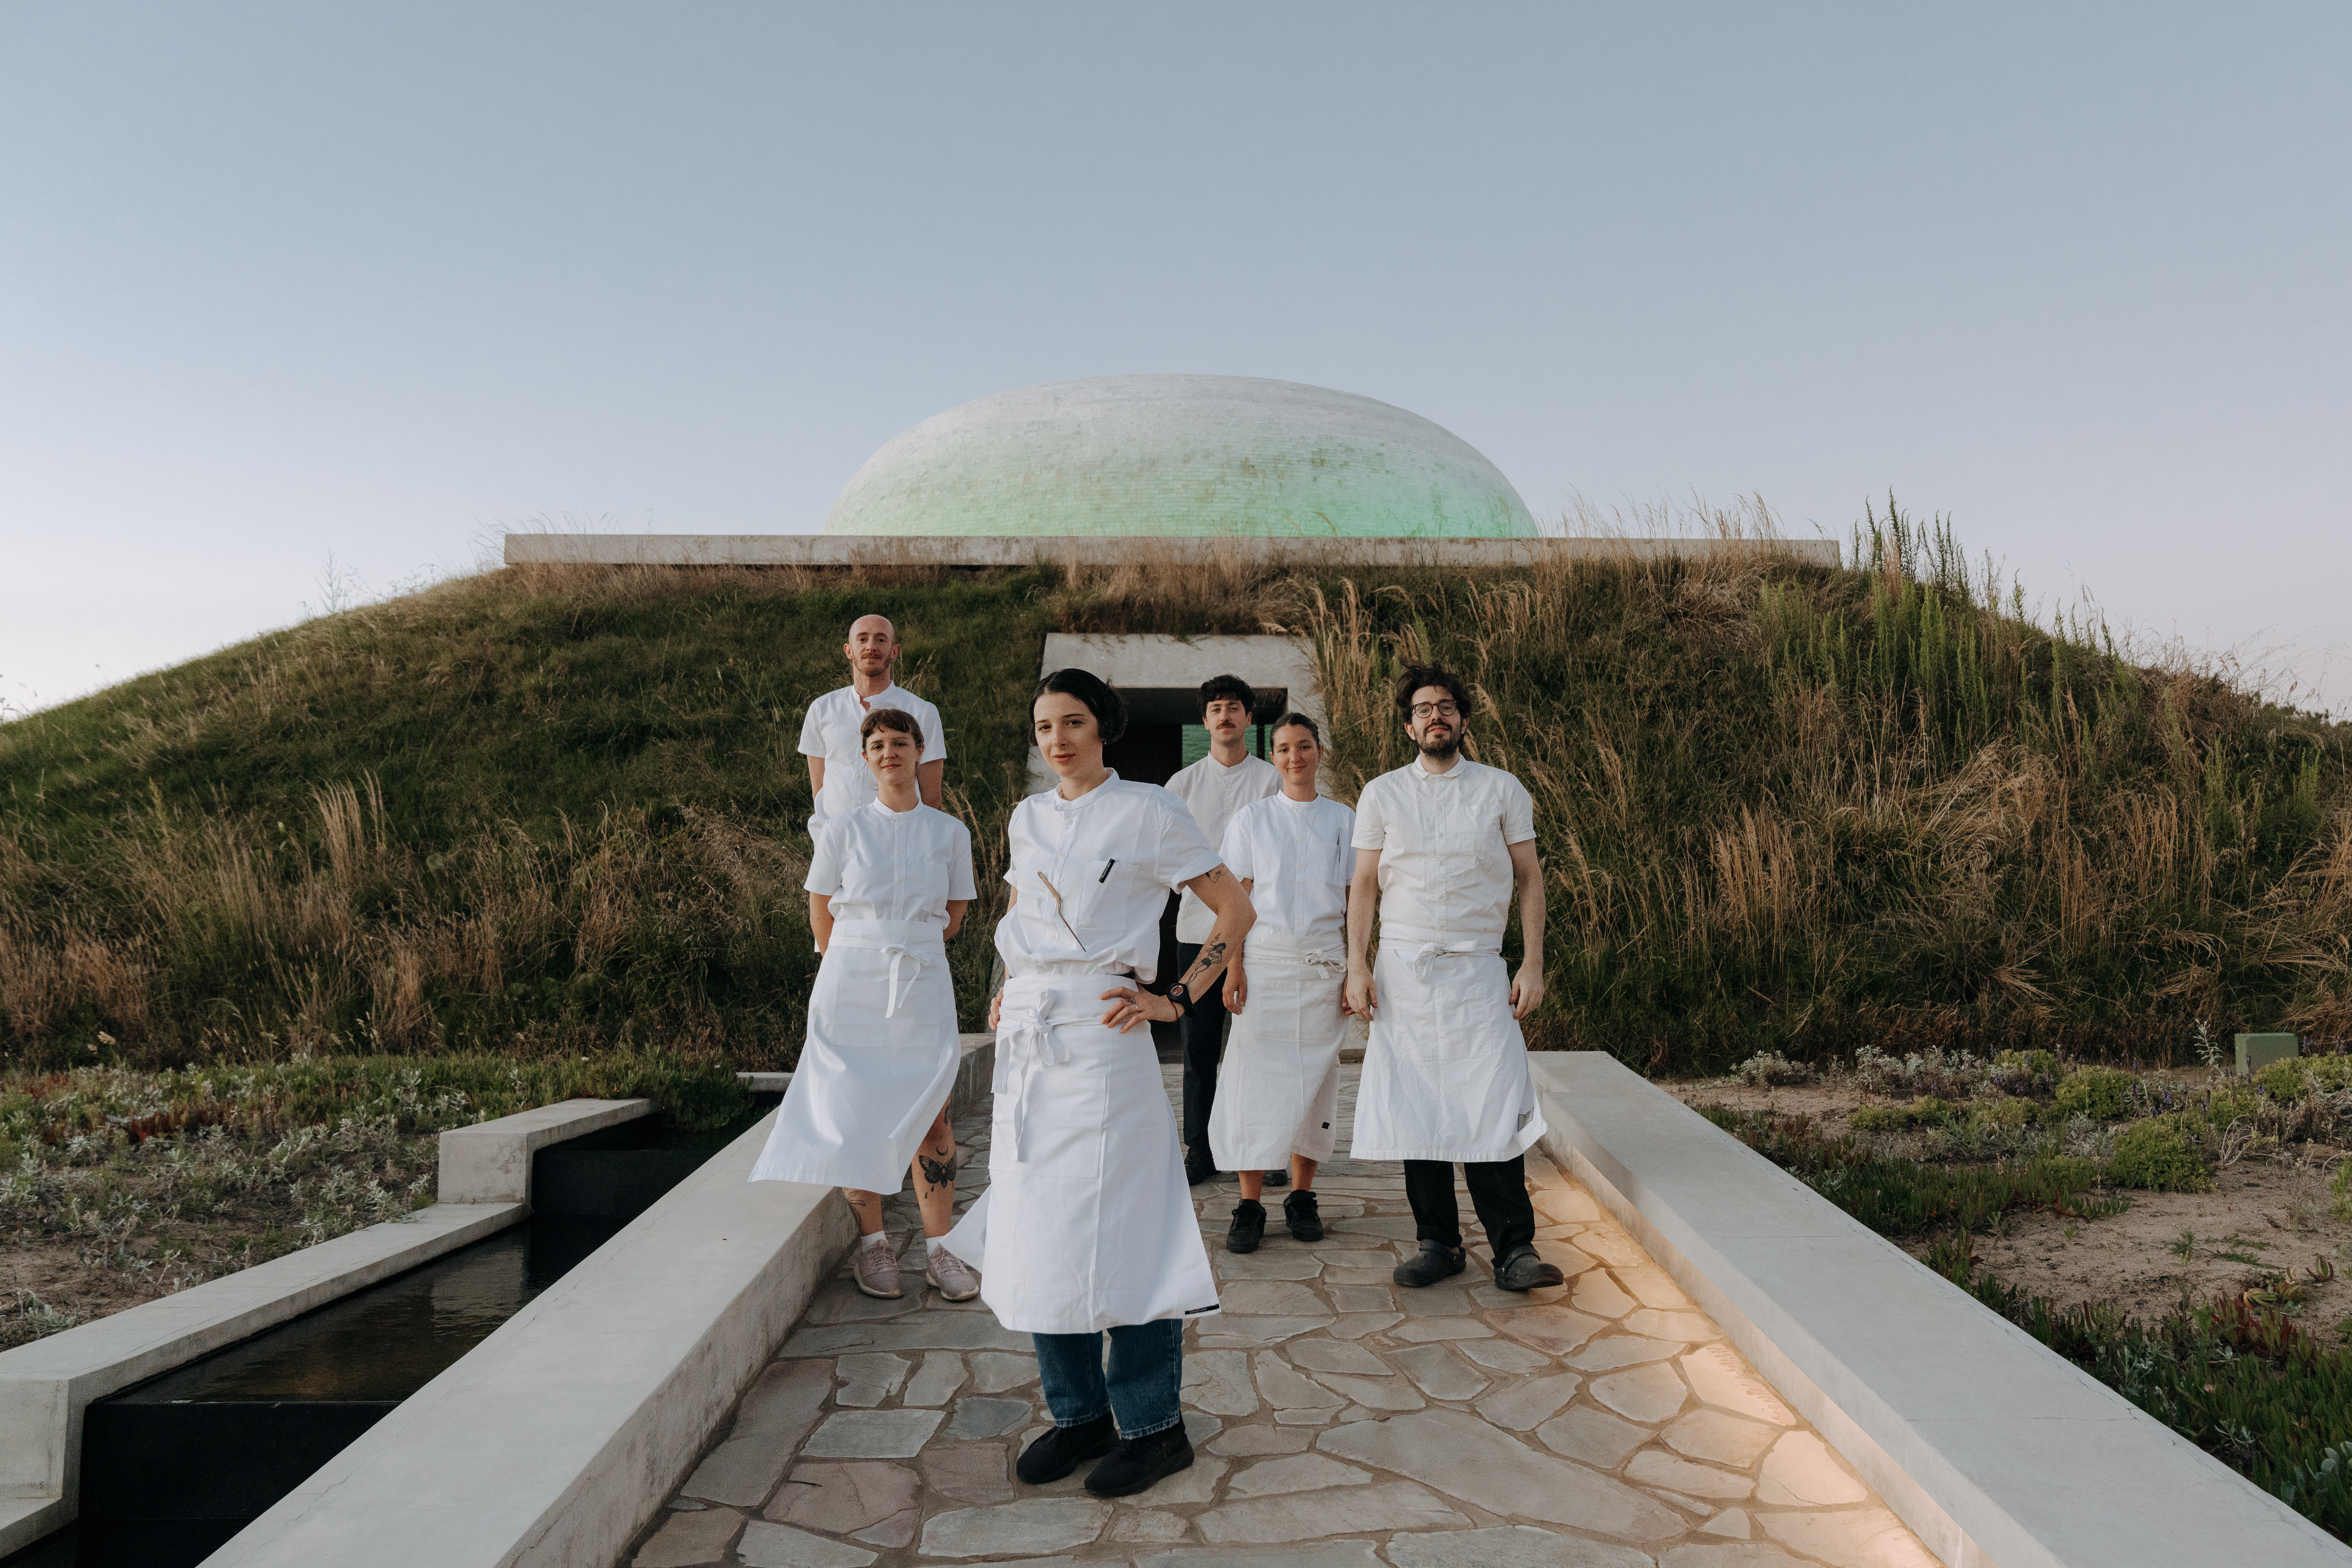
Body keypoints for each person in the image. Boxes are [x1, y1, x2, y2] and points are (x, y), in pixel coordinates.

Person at [944, 669, 1255, 1499]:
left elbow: (1234, 911)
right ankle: (1079, 1411)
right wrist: (1006, 992)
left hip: (1107, 1038)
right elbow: (1022, 917)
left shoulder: (1151, 809)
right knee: (1040, 1225)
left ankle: (1154, 1425)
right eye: (1045, 724)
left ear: (1102, 727)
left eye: (1073, 721)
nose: (1058, 738)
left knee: (1125, 1228)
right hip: (1031, 1043)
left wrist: (1174, 998)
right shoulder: (1027, 815)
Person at [1343, 663, 1566, 1294]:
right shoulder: (1381, 794)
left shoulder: (1501, 789)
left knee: (1491, 1099)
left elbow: (1529, 877)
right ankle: (1437, 1242)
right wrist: (1356, 964)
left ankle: (1513, 1247)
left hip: (1476, 970)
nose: (1434, 715)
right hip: (1404, 973)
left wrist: (1531, 962)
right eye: (1422, 708)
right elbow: (1362, 885)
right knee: (1419, 1105)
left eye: (1445, 706)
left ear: (1463, 721)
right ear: (1408, 724)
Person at [751, 706, 981, 1302]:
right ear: (864, 758)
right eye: (876, 745)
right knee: (853, 1108)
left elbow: (954, 916)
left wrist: (907, 947)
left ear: (918, 750)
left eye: (899, 743)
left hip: (921, 978)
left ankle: (940, 1251)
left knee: (933, 1112)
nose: (889, 753)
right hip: (850, 981)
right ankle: (872, 1243)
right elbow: (820, 907)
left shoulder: (950, 832)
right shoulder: (843, 829)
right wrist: (850, 965)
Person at [1207, 713, 1354, 1253]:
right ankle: (1249, 1204)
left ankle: (1301, 1195)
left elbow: (1356, 903)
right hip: (1265, 966)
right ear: (1273, 755)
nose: (1295, 757)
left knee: (1316, 1082)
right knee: (1252, 1082)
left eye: (1305, 746)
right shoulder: (1252, 820)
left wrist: (1356, 968)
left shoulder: (1345, 820)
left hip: (1324, 968)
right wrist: (1234, 967)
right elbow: (1237, 901)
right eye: (1285, 748)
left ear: (1320, 751)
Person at [1164, 674, 1280, 1186]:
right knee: (1199, 1049)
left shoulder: (1272, 781)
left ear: (1248, 718)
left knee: (1263, 1047)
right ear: (1204, 720)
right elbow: (1166, 864)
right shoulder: (1180, 786)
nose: (1225, 715)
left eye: (1234, 707)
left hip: (1266, 936)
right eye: (1215, 708)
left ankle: (1270, 1149)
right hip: (1197, 934)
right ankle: (1200, 1149)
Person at [799, 613, 947, 842]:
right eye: (862, 639)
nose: (871, 647)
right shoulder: (822, 709)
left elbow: (931, 797)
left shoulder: (922, 712)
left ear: (895, 651)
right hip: (834, 841)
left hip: (895, 841)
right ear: (849, 650)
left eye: (881, 640)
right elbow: (819, 790)